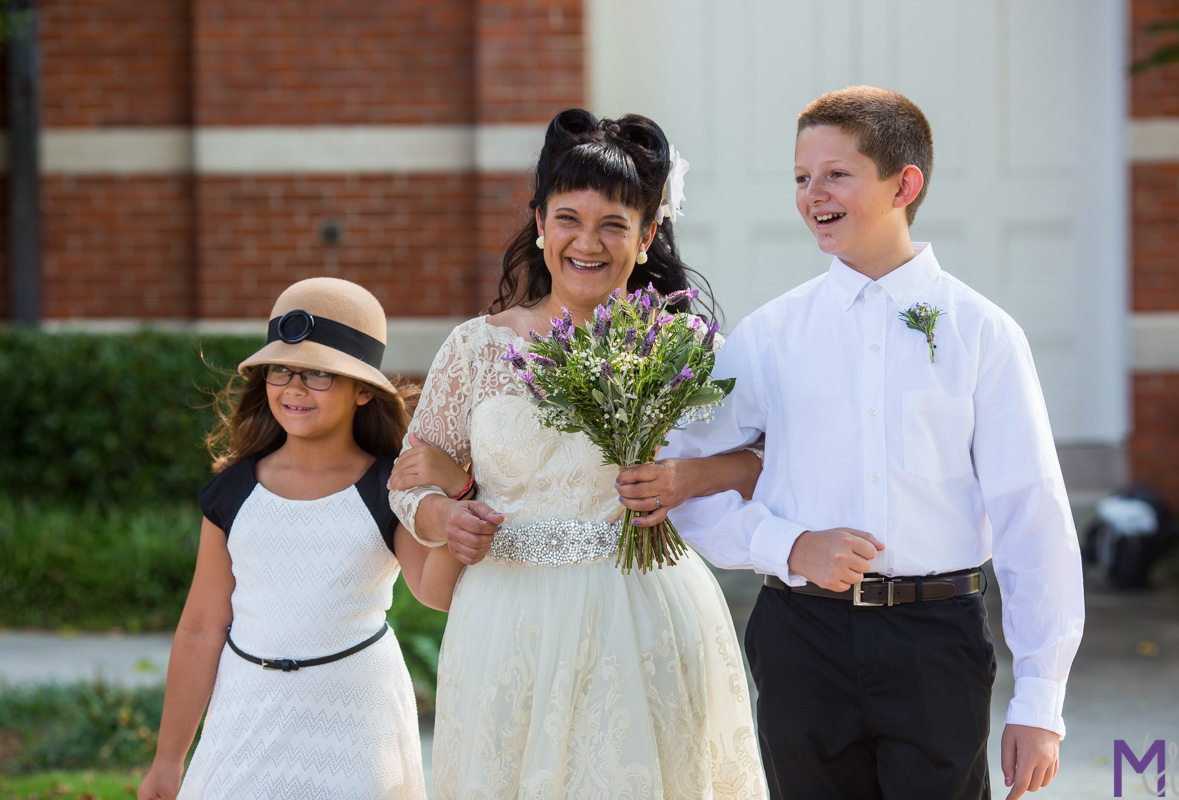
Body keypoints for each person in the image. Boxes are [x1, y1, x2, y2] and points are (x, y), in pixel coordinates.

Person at [644, 86, 1086, 800]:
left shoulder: (982, 334)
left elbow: (1032, 517)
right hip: (802, 639)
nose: (811, 193)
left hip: (936, 641)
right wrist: (788, 547)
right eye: (799, 177)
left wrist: (1041, 701)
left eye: (835, 174)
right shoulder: (769, 337)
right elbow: (683, 476)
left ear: (903, 184)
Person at [389, 108, 768, 799]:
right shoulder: (475, 348)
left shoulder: (684, 349)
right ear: (539, 221)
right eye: (568, 218)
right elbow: (409, 482)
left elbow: (764, 462)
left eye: (613, 225)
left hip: (645, 615)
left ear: (648, 235)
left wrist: (690, 478)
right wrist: (449, 515)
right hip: (508, 621)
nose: (586, 243)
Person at [139, 277, 471, 800]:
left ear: (363, 388)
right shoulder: (233, 491)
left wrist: (459, 507)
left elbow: (434, 591)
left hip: (358, 720)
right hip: (245, 713)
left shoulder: (390, 488)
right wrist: (167, 759)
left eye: (319, 373)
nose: (293, 388)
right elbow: (202, 627)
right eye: (281, 370)